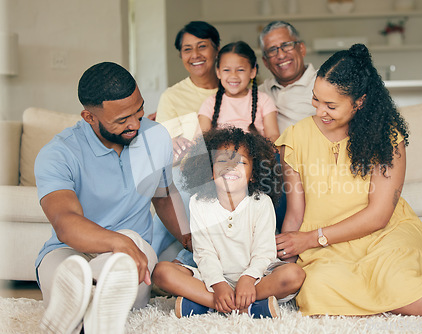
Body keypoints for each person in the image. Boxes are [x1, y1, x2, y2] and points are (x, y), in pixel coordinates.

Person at [274, 44, 422, 316]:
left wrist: (312, 238)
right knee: (318, 290)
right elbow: (296, 212)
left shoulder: (386, 139)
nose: (320, 111)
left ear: (359, 102)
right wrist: (288, 251)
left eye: (331, 105)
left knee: (402, 288)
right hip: (326, 248)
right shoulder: (295, 137)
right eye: (315, 100)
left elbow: (378, 216)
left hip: (382, 234)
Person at [34, 62, 188, 333]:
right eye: (121, 120)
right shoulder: (58, 153)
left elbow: (163, 197)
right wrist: (117, 241)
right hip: (69, 250)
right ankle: (88, 306)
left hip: (135, 253)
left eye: (139, 110)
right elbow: (65, 222)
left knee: (130, 249)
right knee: (68, 271)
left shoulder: (156, 137)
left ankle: (83, 312)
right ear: (89, 117)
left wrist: (192, 240)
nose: (135, 124)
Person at [152, 127, 305, 318]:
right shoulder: (198, 203)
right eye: (222, 160)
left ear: (253, 174)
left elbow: (264, 252)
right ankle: (243, 306)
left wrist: (249, 278)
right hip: (213, 279)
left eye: (240, 162)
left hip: (257, 278)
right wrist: (218, 285)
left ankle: (209, 304)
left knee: (294, 275)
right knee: (162, 272)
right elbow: (204, 253)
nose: (230, 167)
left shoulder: (261, 203)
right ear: (210, 171)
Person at [155, 21, 220, 164]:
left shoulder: (235, 90)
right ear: (181, 55)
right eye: (187, 49)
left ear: (217, 50)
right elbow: (166, 155)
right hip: (192, 178)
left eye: (202, 46)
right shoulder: (171, 97)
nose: (195, 55)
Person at [198, 41, 280, 143]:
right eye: (226, 70)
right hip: (221, 157)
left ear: (252, 72)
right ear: (218, 72)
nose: (233, 76)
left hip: (256, 157)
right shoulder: (210, 103)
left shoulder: (264, 101)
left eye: (240, 70)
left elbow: (273, 136)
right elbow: (200, 141)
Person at [258, 21, 317, 133]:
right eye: (272, 50)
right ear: (265, 62)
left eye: (286, 45)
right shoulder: (260, 93)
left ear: (301, 49)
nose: (281, 55)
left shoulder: (325, 84)